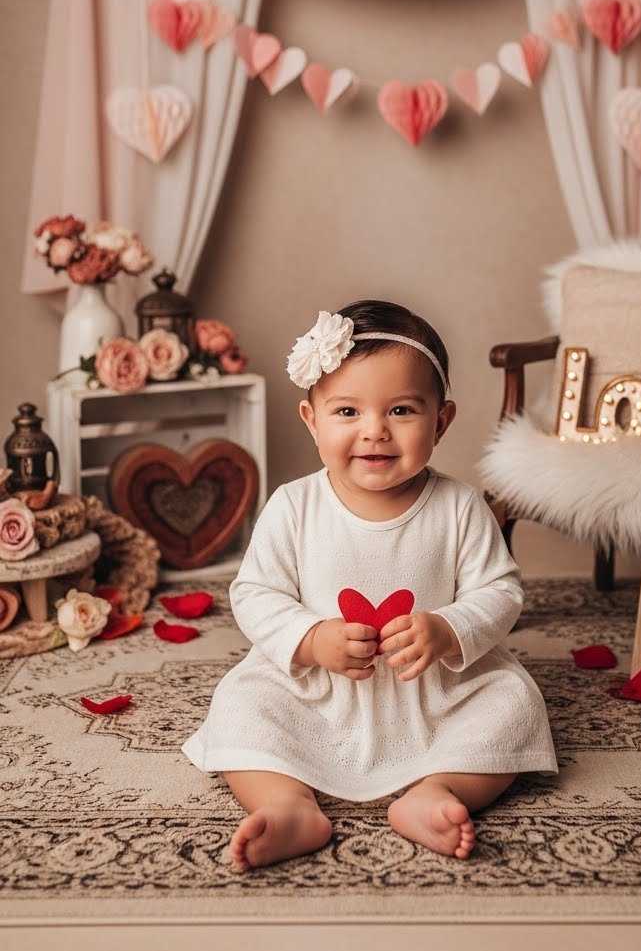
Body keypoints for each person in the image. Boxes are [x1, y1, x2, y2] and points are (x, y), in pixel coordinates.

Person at [182, 300, 557, 869]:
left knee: (514, 703)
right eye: (348, 411)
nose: (375, 431)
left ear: (442, 420)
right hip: (318, 692)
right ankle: (287, 805)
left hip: (433, 691)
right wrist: (309, 639)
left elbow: (500, 590)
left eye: (402, 409)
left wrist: (448, 628)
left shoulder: (459, 507)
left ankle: (439, 790)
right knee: (241, 702)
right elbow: (255, 592)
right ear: (311, 420)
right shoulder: (295, 506)